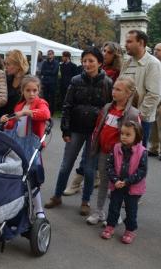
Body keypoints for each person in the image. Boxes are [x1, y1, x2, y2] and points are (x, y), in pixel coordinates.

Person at [45, 47, 112, 216]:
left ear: (100, 63)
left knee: (90, 169)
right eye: (84, 61)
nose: (87, 64)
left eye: (91, 60)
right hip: (75, 128)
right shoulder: (75, 80)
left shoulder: (107, 83)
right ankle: (57, 195)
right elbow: (67, 105)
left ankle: (85, 201)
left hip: (95, 132)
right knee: (65, 165)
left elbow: (109, 109)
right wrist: (65, 129)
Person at [87, 76, 140, 225]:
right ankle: (99, 211)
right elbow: (98, 128)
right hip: (104, 153)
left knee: (116, 185)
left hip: (121, 157)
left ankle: (114, 214)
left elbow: (137, 138)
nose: (114, 92)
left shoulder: (133, 114)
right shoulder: (107, 108)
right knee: (104, 181)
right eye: (113, 88)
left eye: (118, 89)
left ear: (128, 93)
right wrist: (95, 146)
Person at [0, 76, 51, 218]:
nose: (32, 94)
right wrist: (6, 120)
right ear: (22, 91)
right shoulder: (19, 106)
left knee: (32, 177)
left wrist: (26, 113)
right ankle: (17, 203)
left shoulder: (41, 103)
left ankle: (39, 209)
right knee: (17, 175)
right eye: (28, 90)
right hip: (19, 145)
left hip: (33, 147)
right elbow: (12, 126)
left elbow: (45, 114)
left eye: (35, 90)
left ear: (39, 90)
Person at [101, 121, 147, 244]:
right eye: (122, 134)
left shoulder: (142, 151)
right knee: (113, 207)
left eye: (128, 134)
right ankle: (110, 226)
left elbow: (142, 171)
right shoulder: (116, 148)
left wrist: (127, 181)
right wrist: (115, 180)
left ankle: (130, 230)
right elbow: (109, 166)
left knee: (131, 210)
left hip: (133, 188)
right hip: (117, 186)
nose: (124, 137)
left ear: (136, 136)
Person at [120, 30, 161, 148]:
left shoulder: (153, 64)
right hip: (123, 116)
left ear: (141, 42)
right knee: (121, 157)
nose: (125, 45)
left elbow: (154, 95)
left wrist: (137, 116)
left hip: (140, 121)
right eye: (126, 41)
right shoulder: (127, 63)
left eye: (129, 41)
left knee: (136, 159)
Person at [0, 49, 30, 118]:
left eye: (8, 64)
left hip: (21, 121)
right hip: (3, 120)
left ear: (18, 65)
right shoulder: (5, 78)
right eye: (5, 64)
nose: (5, 67)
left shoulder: (30, 81)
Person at [39, 50, 59, 114]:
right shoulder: (45, 62)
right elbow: (42, 71)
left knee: (52, 98)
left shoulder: (56, 62)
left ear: (53, 55)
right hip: (45, 83)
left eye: (50, 54)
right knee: (45, 97)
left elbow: (54, 72)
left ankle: (51, 111)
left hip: (52, 83)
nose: (49, 55)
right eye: (48, 54)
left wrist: (47, 71)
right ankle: (45, 110)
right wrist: (49, 71)